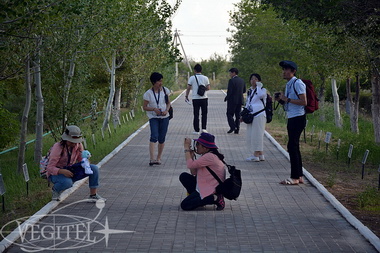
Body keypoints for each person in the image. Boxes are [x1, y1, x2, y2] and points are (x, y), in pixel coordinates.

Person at [47, 125, 105, 202]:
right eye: (72, 142)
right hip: (56, 173)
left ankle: (93, 195)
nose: (74, 144)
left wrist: (86, 162)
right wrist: (62, 171)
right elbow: (50, 167)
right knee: (67, 182)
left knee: (94, 168)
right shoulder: (58, 147)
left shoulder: (78, 145)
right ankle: (56, 190)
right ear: (66, 139)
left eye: (76, 142)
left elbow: (81, 160)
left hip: (71, 169)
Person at [275, 60, 307, 185]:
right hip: (292, 116)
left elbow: (304, 102)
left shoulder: (298, 83)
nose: (284, 72)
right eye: (283, 69)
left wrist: (287, 98)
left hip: (298, 118)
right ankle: (299, 176)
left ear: (293, 71)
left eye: (286, 70)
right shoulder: (289, 84)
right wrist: (280, 100)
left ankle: (294, 177)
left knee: (292, 146)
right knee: (294, 147)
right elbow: (289, 103)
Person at [179, 133, 226, 211]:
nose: (196, 147)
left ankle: (215, 198)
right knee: (184, 176)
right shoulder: (207, 155)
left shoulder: (209, 157)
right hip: (203, 185)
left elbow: (190, 165)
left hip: (210, 189)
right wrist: (191, 156)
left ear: (205, 147)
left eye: (198, 144)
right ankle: (199, 199)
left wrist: (186, 149)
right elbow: (193, 172)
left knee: (185, 205)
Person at [143, 72, 171, 166]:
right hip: (153, 117)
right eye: (159, 81)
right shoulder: (148, 94)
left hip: (164, 117)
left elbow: (168, 103)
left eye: (161, 81)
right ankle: (152, 159)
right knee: (154, 136)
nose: (161, 83)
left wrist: (166, 110)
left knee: (162, 138)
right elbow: (145, 107)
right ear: (154, 82)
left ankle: (158, 158)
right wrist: (154, 109)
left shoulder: (165, 90)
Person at [244, 73, 267, 162]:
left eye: (256, 79)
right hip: (251, 115)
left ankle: (255, 155)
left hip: (259, 115)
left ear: (259, 81)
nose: (253, 80)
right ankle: (261, 154)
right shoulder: (250, 90)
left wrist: (258, 86)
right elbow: (248, 103)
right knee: (252, 135)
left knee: (258, 135)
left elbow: (261, 95)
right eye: (252, 79)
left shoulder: (262, 90)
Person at [185, 64, 210, 134]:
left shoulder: (192, 78)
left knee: (196, 114)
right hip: (204, 98)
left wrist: (186, 96)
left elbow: (188, 88)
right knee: (204, 114)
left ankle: (196, 130)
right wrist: (202, 90)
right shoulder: (205, 78)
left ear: (194, 70)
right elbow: (208, 88)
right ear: (201, 70)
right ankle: (204, 129)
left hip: (195, 98)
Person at [224, 68, 246, 134]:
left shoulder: (231, 81)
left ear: (234, 73)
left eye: (230, 73)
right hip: (240, 100)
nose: (230, 74)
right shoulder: (242, 80)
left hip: (232, 101)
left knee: (229, 114)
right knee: (238, 115)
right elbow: (244, 90)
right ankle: (237, 129)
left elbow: (230, 91)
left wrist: (227, 97)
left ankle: (233, 126)